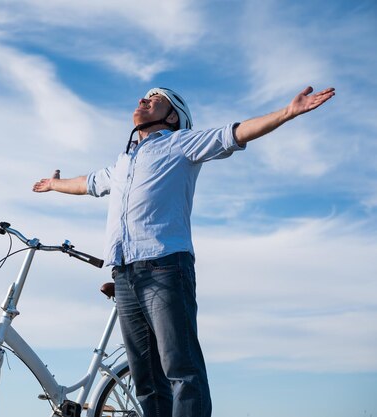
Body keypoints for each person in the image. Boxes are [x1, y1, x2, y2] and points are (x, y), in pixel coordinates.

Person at [32, 85, 335, 417]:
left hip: (164, 266)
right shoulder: (122, 162)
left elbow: (234, 133)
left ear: (173, 115)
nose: (143, 100)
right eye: (143, 96)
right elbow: (87, 183)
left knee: (182, 370)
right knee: (147, 381)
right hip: (124, 272)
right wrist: (53, 185)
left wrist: (288, 112)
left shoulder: (181, 144)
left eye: (155, 99)